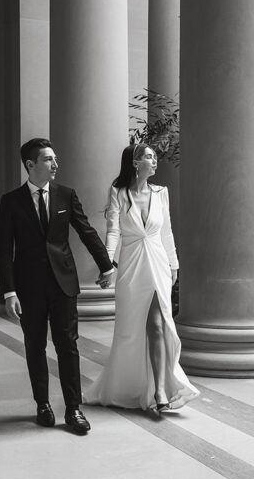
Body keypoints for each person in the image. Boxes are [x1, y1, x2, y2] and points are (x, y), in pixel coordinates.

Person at [0, 138, 115, 434]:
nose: (55, 164)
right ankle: (42, 405)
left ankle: (73, 409)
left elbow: (86, 231)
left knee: (68, 346)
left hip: (63, 284)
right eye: (48, 159)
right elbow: (3, 250)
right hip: (28, 287)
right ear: (30, 165)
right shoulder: (11, 201)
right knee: (34, 346)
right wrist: (9, 291)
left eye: (55, 159)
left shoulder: (65, 195)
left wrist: (106, 265)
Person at [84, 143, 200, 413]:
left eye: (155, 157)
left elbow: (167, 232)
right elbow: (113, 231)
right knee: (130, 330)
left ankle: (160, 389)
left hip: (158, 263)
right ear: (135, 163)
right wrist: (107, 263)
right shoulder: (119, 193)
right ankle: (129, 385)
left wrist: (174, 265)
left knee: (159, 325)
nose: (155, 161)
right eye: (149, 157)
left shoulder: (161, 193)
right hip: (132, 265)